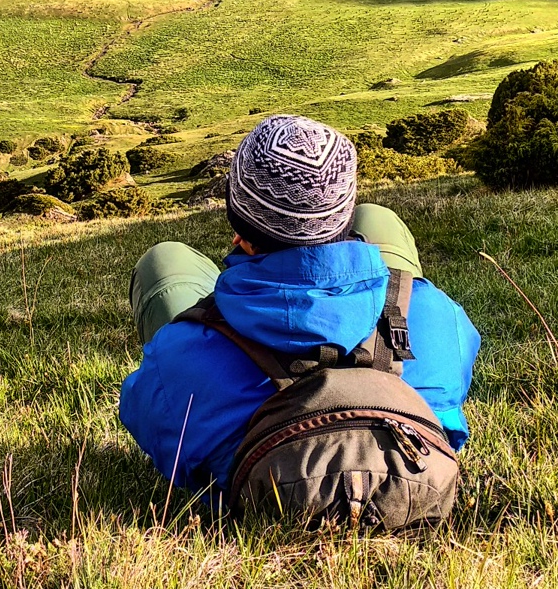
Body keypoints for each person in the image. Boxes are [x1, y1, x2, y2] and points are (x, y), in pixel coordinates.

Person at [119, 114, 480, 497]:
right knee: (380, 219)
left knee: (166, 261)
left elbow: (151, 425)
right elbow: (447, 417)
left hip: (258, 498)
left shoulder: (177, 355)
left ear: (239, 227)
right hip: (409, 476)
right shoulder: (438, 314)